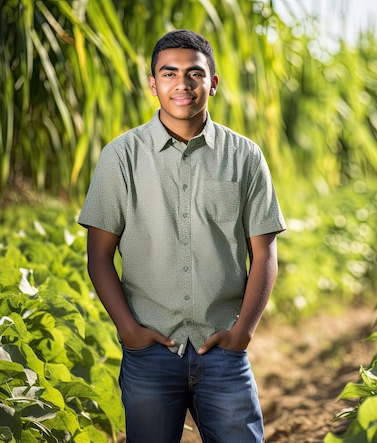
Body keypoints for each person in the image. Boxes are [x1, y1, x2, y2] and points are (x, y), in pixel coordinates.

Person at [78, 29, 286, 442]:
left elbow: (264, 254)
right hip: (150, 352)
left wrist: (243, 331)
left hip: (223, 349)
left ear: (213, 82)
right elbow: (99, 256)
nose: (182, 85)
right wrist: (129, 332)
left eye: (194, 73)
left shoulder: (245, 157)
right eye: (169, 74)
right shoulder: (120, 156)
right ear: (153, 84)